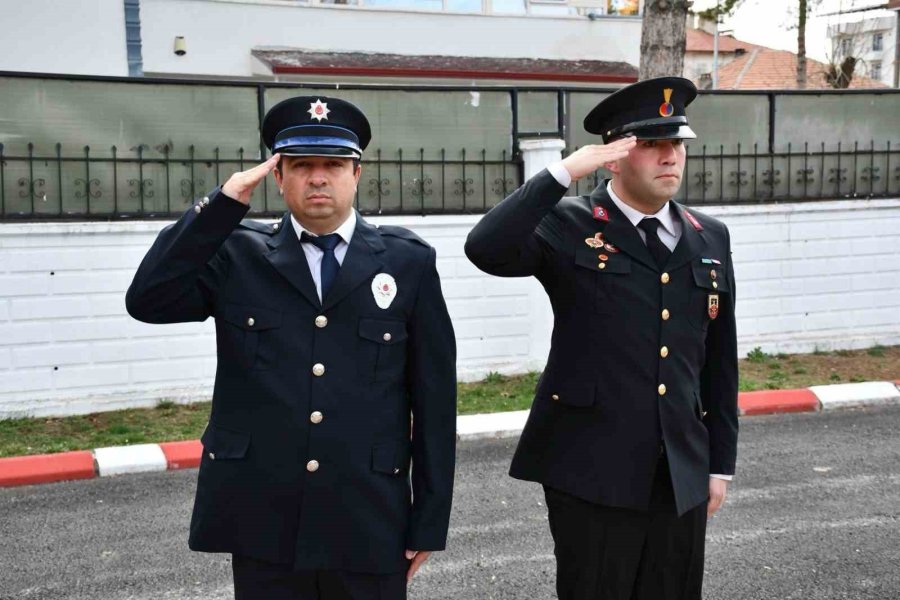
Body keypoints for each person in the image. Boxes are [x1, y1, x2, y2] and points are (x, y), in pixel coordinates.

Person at [126, 96, 457, 600]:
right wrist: (221, 205)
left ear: (357, 173)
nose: (318, 178)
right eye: (301, 166)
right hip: (264, 517)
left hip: (368, 514)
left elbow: (434, 400)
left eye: (333, 165)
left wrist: (428, 521)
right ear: (278, 177)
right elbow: (148, 298)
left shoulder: (406, 261)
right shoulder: (236, 253)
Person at [465, 77, 738, 600]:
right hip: (589, 468)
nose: (669, 157)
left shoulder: (710, 236)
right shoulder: (569, 223)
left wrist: (719, 463)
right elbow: (486, 248)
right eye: (651, 145)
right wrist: (563, 172)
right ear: (613, 158)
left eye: (676, 144)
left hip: (678, 470)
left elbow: (718, 361)